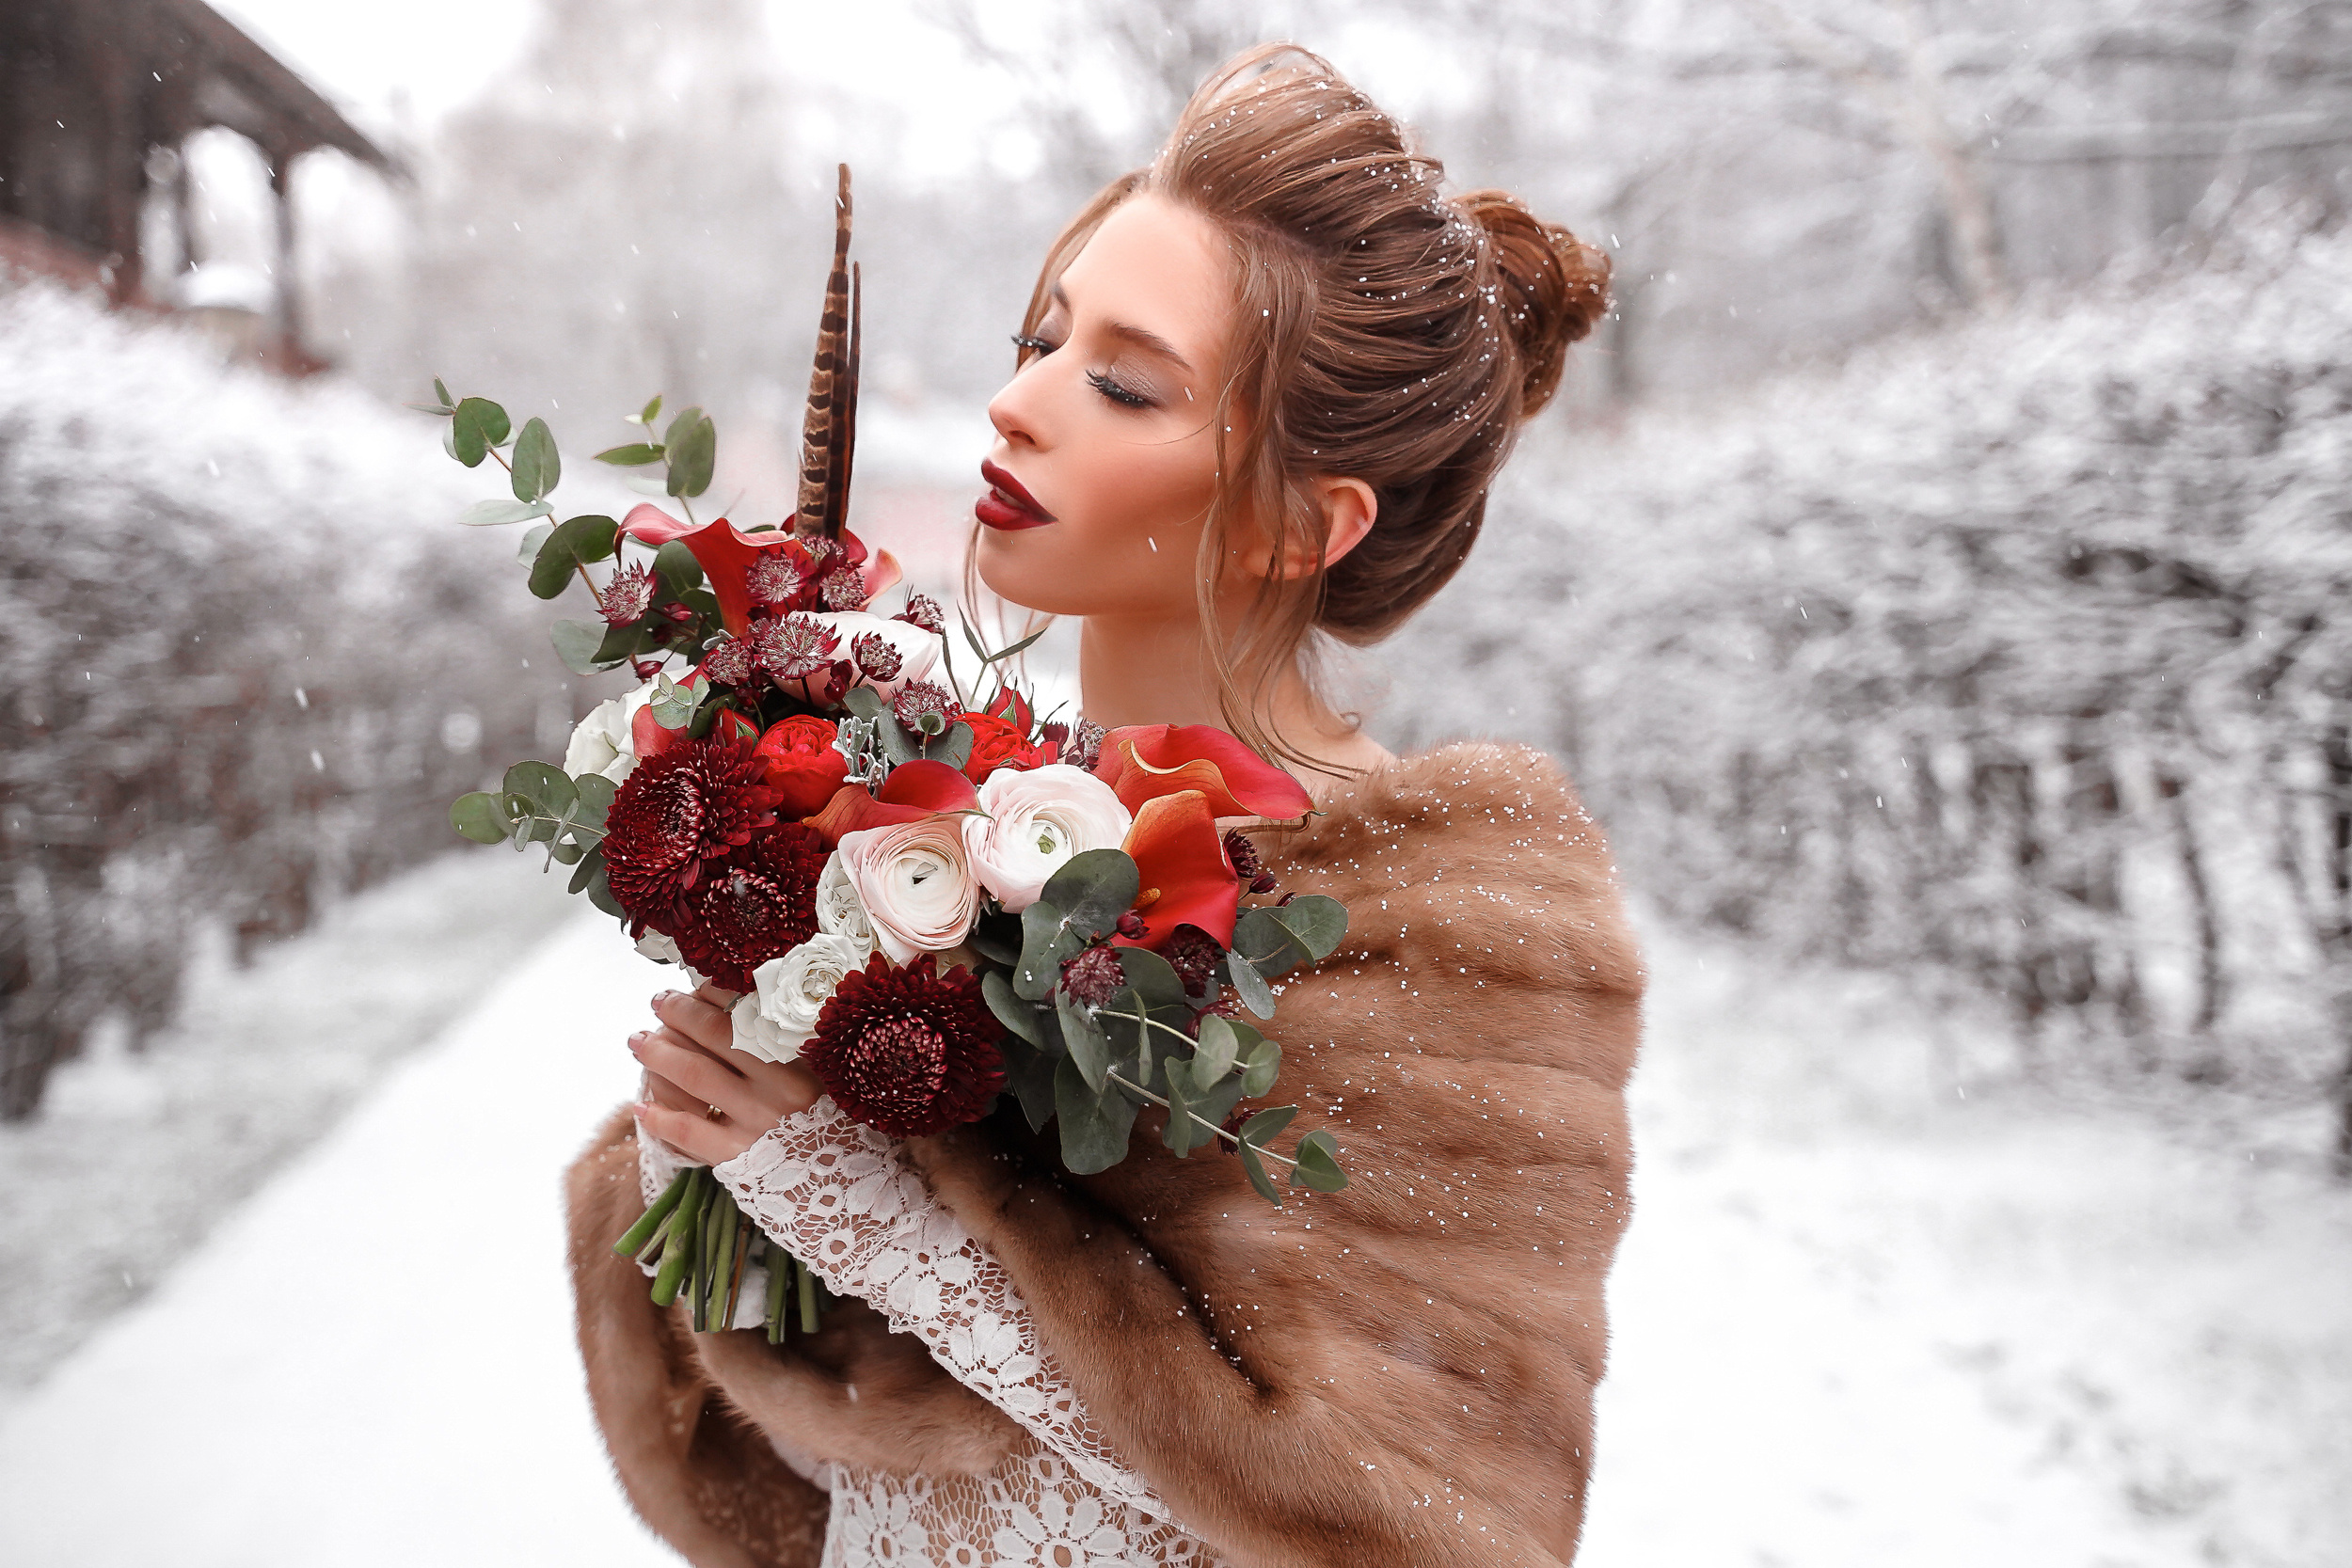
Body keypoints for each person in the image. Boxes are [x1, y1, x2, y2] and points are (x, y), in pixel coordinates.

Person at [566, 43, 1642, 1567]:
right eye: (1041, 339)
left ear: (1294, 520)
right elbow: (814, 1472)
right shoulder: (940, 817)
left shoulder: (1454, 932)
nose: (1015, 405)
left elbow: (1414, 1520)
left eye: (1123, 381)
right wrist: (719, 1173)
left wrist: (884, 1221)